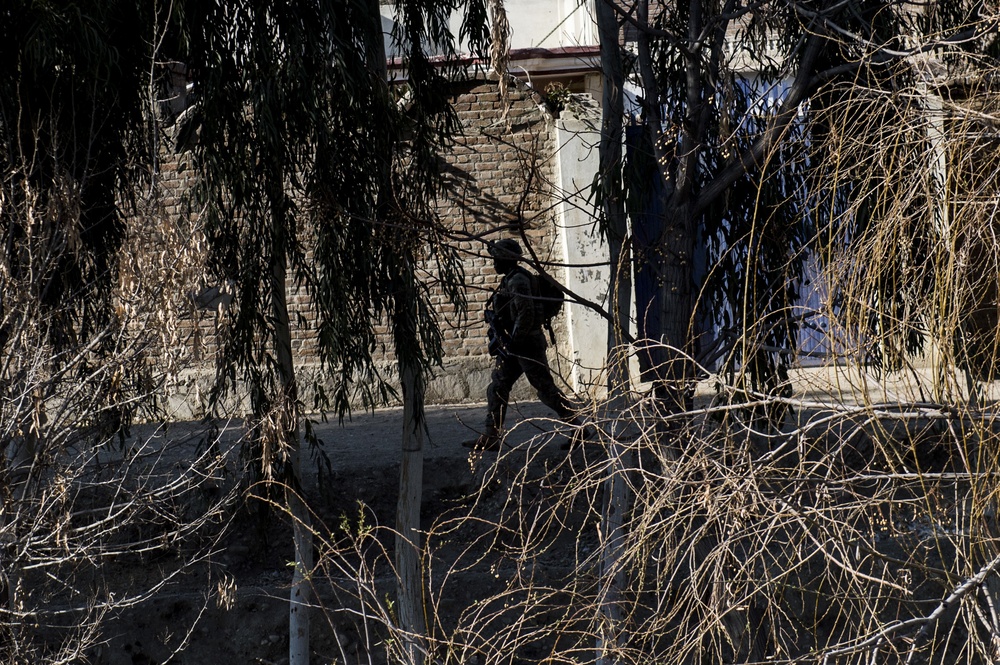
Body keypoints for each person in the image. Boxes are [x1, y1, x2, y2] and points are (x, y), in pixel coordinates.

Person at [463, 239, 582, 451]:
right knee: (498, 385)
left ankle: (578, 427)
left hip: (526, 345)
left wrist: (513, 342)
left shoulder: (518, 280)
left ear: (506, 259)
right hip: (516, 345)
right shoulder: (510, 278)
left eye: (497, 258)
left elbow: (526, 313)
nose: (494, 263)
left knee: (545, 389)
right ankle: (491, 435)